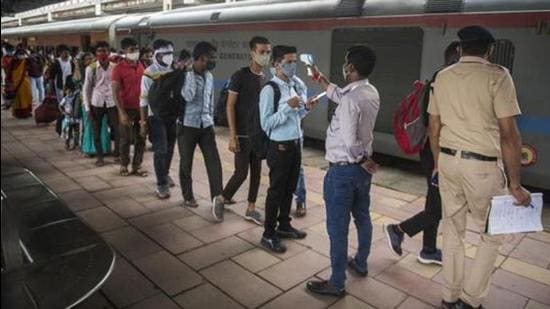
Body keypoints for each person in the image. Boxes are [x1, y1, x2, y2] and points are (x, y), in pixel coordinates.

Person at [429, 26, 531, 309]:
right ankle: (471, 299)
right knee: (492, 232)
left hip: (448, 161)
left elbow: (433, 127)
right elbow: (509, 133)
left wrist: (438, 164)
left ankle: (450, 296)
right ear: (489, 51)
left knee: (452, 230)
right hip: (482, 166)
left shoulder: (442, 77)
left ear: (460, 49)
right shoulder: (498, 76)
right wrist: (514, 184)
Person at [306, 45, 379, 297]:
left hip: (344, 171)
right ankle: (360, 262)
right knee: (362, 217)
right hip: (361, 173)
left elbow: (349, 140)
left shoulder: (350, 99)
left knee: (337, 228)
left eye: (346, 63)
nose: (344, 66)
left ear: (351, 68)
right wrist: (319, 77)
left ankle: (336, 283)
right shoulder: (369, 91)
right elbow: (338, 94)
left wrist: (361, 160)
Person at [383, 41, 461, 265]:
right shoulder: (443, 80)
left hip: (435, 151)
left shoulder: (442, 78)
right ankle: (398, 229)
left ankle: (428, 249)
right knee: (440, 207)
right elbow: (433, 123)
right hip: (437, 153)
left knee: (435, 203)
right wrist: (438, 162)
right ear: (457, 55)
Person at [259, 45, 318, 253]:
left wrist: (305, 109)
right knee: (276, 190)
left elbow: (296, 116)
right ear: (276, 65)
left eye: (294, 62)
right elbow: (266, 123)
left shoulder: (293, 86)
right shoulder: (270, 90)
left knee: (289, 188)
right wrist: (287, 107)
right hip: (280, 146)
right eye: (289, 62)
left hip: (295, 143)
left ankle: (284, 225)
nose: (293, 66)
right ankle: (268, 233)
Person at [221, 36, 271, 225]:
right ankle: (223, 196)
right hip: (242, 134)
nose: (265, 55)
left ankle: (251, 208)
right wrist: (232, 136)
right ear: (252, 53)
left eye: (268, 52)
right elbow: (230, 106)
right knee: (241, 173)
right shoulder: (240, 75)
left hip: (258, 135)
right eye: (262, 52)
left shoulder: (265, 78)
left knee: (257, 173)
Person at [179, 41, 225, 221]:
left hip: (206, 125)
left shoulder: (210, 76)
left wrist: (211, 119)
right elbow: (188, 96)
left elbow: (210, 99)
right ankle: (188, 195)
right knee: (186, 162)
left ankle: (217, 198)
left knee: (214, 162)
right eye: (211, 58)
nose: (214, 61)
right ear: (200, 58)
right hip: (187, 125)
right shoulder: (186, 76)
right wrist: (189, 73)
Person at [140, 39, 178, 199]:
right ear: (156, 55)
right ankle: (161, 184)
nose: (169, 57)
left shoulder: (175, 70)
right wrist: (143, 123)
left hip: (172, 116)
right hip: (155, 117)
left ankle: (165, 172)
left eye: (171, 53)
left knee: (169, 148)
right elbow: (143, 99)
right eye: (165, 54)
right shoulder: (149, 73)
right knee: (160, 150)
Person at [112, 37, 147, 177]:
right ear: (124, 51)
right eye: (132, 50)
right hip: (126, 108)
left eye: (137, 49)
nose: (135, 52)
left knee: (141, 137)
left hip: (141, 107)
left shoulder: (142, 65)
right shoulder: (118, 69)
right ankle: (124, 165)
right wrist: (121, 112)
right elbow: (115, 92)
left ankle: (137, 165)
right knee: (125, 139)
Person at [83, 41, 119, 166]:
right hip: (96, 102)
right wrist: (87, 108)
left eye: (105, 50)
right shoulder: (91, 68)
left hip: (112, 102)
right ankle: (100, 157)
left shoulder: (115, 67)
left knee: (117, 128)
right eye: (99, 51)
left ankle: (117, 154)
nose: (102, 53)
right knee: (96, 130)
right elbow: (86, 89)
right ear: (96, 53)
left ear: (109, 52)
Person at [59, 78, 82, 150]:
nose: (69, 93)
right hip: (68, 117)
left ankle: (76, 143)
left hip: (75, 118)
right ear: (65, 91)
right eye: (68, 91)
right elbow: (60, 105)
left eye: (71, 91)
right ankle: (67, 144)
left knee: (76, 131)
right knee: (68, 132)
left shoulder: (75, 96)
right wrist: (63, 112)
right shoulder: (65, 99)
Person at [10, 48, 33, 118]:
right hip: (16, 83)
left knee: (28, 96)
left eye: (22, 54)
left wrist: (28, 55)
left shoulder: (26, 61)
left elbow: (32, 65)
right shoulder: (13, 62)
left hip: (25, 82)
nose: (21, 56)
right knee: (19, 99)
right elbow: (10, 72)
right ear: (16, 55)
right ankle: (19, 114)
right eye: (20, 54)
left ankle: (27, 112)